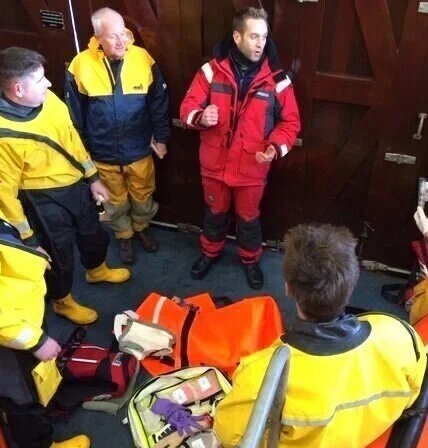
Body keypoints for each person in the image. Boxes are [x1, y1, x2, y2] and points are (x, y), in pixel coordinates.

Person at [213, 223, 427, 447]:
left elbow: (227, 433)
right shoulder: (401, 335)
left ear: (287, 288)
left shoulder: (262, 375)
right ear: (352, 284)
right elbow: (414, 395)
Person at [0, 47, 131, 326]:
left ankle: (96, 270)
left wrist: (93, 178)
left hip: (75, 184)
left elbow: (71, 139)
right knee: (59, 254)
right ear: (18, 89)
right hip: (42, 198)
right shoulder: (4, 137)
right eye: (39, 80)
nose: (48, 84)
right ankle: (62, 301)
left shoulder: (48, 99)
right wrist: (28, 239)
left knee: (93, 233)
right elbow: (5, 195)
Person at [180, 7, 301, 289]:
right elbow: (187, 107)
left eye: (264, 37)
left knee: (249, 218)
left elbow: (291, 122)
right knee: (214, 213)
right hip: (214, 164)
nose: (261, 44)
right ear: (237, 37)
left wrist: (275, 147)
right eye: (254, 36)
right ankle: (210, 252)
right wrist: (200, 117)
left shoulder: (278, 81)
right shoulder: (211, 71)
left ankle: (250, 259)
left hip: (252, 167)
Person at [65, 7, 171, 264]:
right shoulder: (80, 65)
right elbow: (74, 116)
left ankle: (142, 227)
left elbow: (158, 101)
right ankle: (124, 234)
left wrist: (162, 137)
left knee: (143, 195)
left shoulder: (143, 58)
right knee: (113, 202)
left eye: (124, 33)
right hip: (103, 151)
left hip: (139, 148)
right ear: (98, 37)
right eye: (113, 36)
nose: (122, 40)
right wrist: (83, 153)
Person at [0, 211, 90, 448]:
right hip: (11, 334)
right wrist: (35, 341)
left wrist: (26, 245)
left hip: (19, 316)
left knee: (27, 382)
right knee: (20, 397)